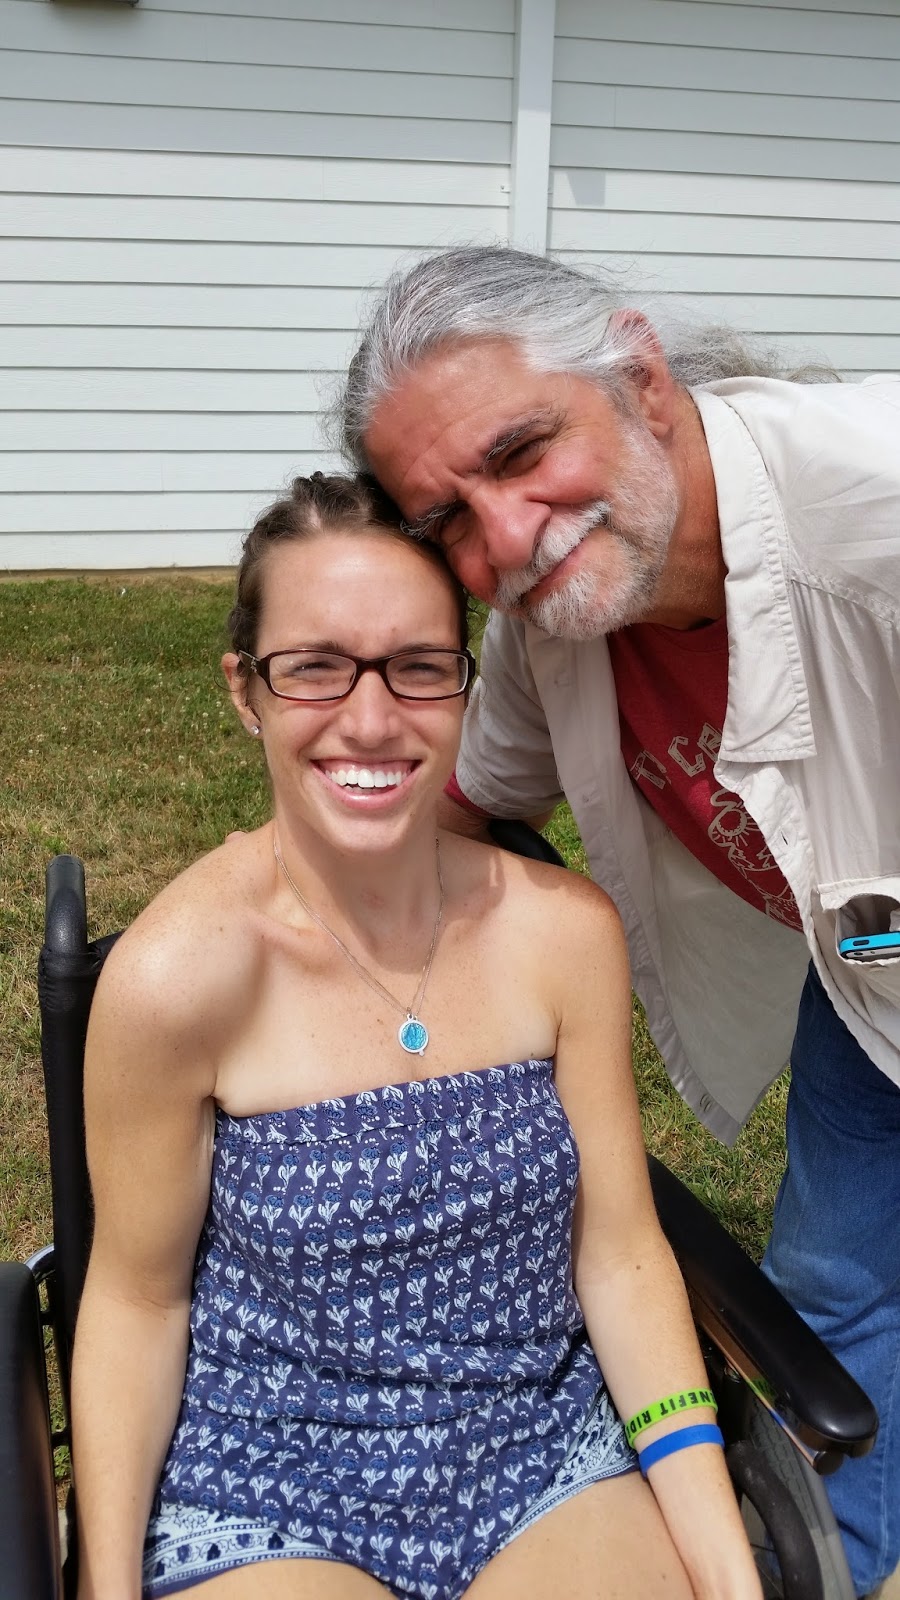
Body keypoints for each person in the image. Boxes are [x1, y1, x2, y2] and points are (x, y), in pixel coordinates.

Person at [69, 472, 761, 1600]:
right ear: (246, 690)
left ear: (464, 684)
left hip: (539, 1455)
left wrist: (728, 1571)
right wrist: (104, 1583)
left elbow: (621, 1255)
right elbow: (139, 1301)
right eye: (315, 666)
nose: (372, 717)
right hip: (268, 1484)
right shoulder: (174, 980)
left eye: (419, 666)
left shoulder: (563, 936)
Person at [339, 246, 900, 1600]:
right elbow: (471, 806)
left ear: (642, 376)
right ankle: (843, 1560)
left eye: (522, 450)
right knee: (833, 1281)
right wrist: (268, 909)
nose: (506, 537)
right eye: (447, 518)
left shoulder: (876, 505)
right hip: (875, 962)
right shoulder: (561, 615)